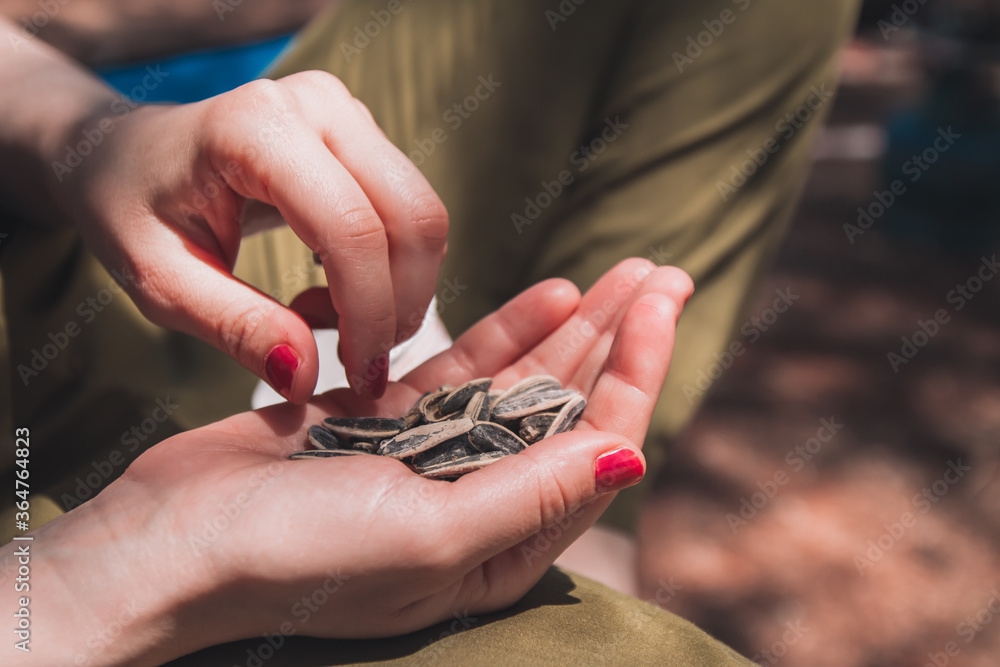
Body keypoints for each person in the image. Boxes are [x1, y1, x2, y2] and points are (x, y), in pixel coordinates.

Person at [0, 0, 858, 662]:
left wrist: (93, 141)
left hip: (128, 294)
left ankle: (593, 525)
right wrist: (89, 588)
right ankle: (587, 532)